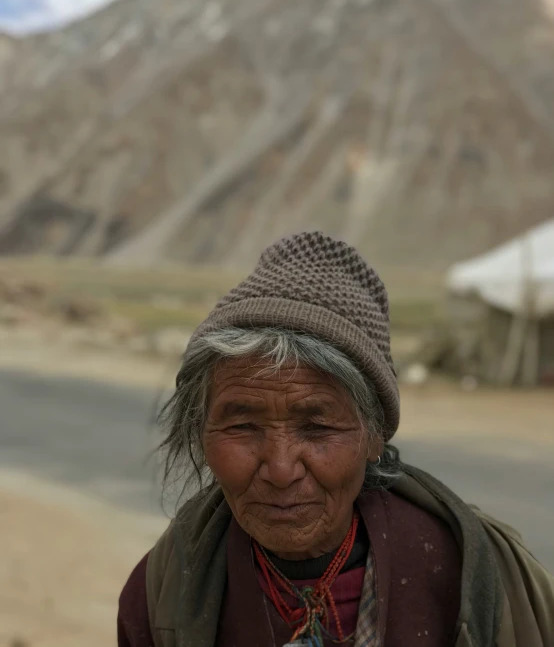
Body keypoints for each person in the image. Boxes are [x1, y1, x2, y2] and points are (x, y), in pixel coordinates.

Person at [118, 231, 554, 647]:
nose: (281, 469)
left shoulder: (475, 575)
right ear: (202, 431)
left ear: (375, 435)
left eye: (317, 427)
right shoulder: (164, 592)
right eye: (243, 427)